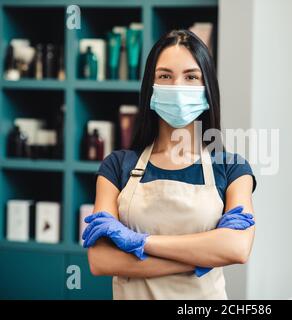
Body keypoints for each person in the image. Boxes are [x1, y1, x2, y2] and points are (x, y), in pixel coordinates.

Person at [82, 29, 257, 300]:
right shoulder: (116, 167)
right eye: (165, 76)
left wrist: (140, 243)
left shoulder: (232, 169)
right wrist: (202, 256)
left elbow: (237, 249)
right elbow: (101, 260)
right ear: (150, 88)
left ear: (207, 88)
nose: (178, 87)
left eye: (191, 77)